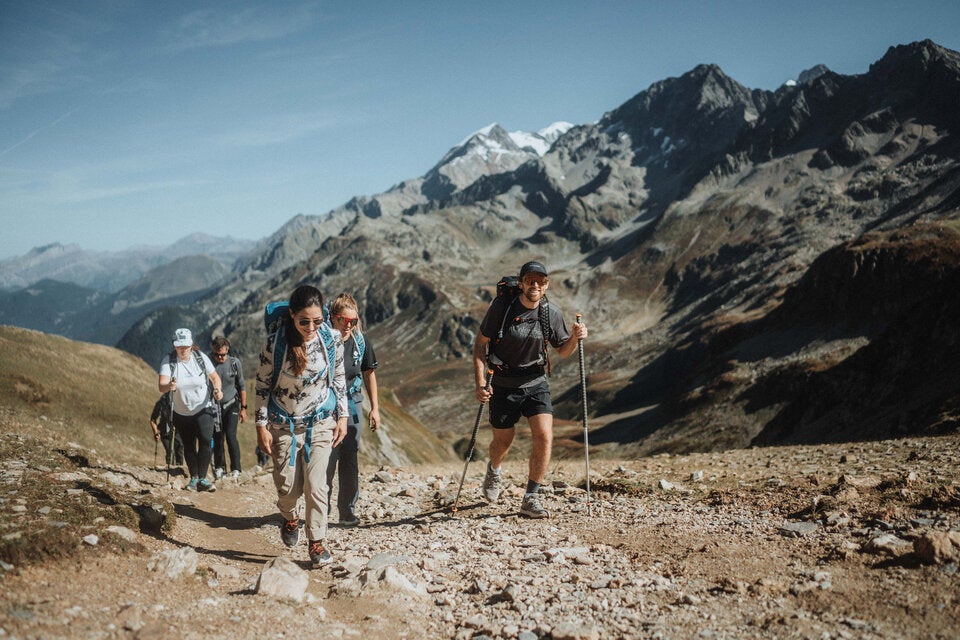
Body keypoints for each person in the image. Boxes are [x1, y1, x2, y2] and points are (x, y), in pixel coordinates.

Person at [472, 261, 588, 518]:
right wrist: (480, 382)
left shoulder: (550, 313)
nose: (535, 285)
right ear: (522, 283)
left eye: (541, 281)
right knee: (503, 441)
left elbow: (562, 351)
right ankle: (494, 470)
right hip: (502, 383)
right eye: (530, 280)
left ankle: (531, 497)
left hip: (536, 382)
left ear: (546, 285)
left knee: (545, 436)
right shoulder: (502, 308)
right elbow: (480, 345)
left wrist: (574, 338)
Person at [255, 285, 347, 567]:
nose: (310, 327)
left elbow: (339, 378)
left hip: (320, 421)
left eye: (317, 321)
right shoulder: (276, 342)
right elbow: (261, 385)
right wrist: (261, 426)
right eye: (304, 321)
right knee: (287, 489)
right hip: (283, 424)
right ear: (292, 316)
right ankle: (290, 518)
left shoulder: (331, 340)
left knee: (317, 486)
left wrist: (342, 417)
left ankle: (316, 543)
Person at [325, 293, 381, 527]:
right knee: (326, 457)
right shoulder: (323, 340)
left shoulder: (360, 341)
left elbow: (369, 372)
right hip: (327, 403)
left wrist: (375, 408)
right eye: (343, 320)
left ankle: (347, 510)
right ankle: (320, 510)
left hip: (352, 400)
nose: (348, 325)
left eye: (353, 321)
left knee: (349, 456)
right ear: (332, 318)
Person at [158, 328, 223, 492]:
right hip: (181, 412)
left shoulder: (200, 358)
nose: (182, 349)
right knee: (188, 445)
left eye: (185, 346)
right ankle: (194, 478)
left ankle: (203, 478)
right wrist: (169, 386)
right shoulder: (169, 361)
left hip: (203, 407)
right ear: (174, 345)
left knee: (206, 441)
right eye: (179, 346)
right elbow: (161, 386)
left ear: (191, 344)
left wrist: (217, 390)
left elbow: (215, 377)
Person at [210, 336, 247, 479]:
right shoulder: (209, 364)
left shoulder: (234, 363)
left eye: (223, 354)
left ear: (228, 351)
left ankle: (236, 469)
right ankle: (219, 467)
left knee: (231, 436)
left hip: (232, 404)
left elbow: (242, 385)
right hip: (214, 407)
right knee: (218, 437)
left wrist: (244, 408)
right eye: (216, 354)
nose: (220, 357)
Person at [149, 393, 184, 472]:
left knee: (179, 449)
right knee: (170, 451)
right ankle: (170, 470)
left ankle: (179, 471)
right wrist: (156, 432)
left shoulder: (179, 399)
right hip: (165, 431)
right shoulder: (161, 402)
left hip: (178, 430)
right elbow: (153, 419)